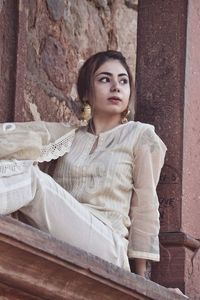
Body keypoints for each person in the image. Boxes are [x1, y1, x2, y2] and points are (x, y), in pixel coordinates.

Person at [0, 50, 167, 277]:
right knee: (17, 165)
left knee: (33, 179)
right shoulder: (67, 138)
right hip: (64, 234)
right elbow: (16, 141)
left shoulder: (140, 135)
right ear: (87, 92)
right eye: (105, 79)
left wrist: (142, 281)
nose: (116, 87)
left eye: (123, 81)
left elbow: (145, 207)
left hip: (108, 244)